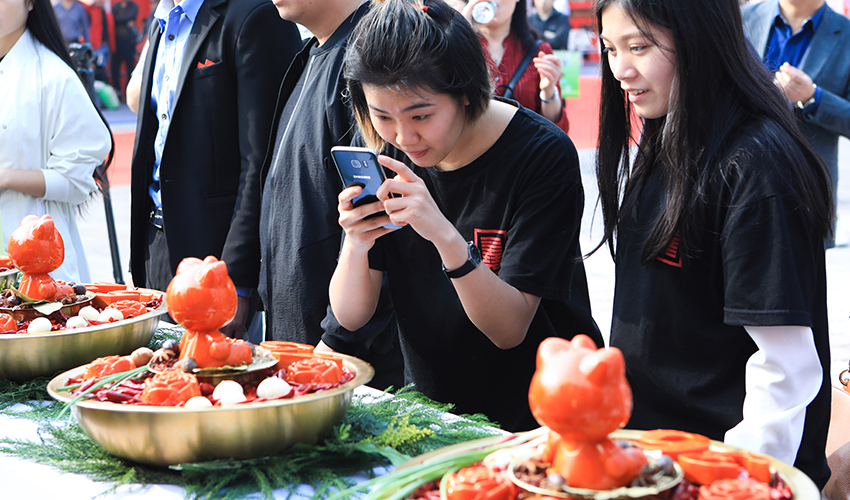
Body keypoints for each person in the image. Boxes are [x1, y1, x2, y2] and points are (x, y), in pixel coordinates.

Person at [594, 0, 833, 488]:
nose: (621, 68)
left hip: (722, 470)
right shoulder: (667, 132)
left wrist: (733, 483)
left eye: (639, 46)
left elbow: (784, 369)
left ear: (699, 38)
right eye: (610, 48)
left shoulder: (755, 163)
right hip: (655, 458)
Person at [330, 0, 600, 431]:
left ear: (468, 94)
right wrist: (357, 242)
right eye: (382, 116)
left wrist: (444, 235)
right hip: (432, 413)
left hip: (542, 416)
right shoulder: (389, 155)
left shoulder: (543, 155)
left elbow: (509, 329)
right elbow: (350, 315)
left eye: (421, 115)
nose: (404, 136)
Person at [224, 0, 404, 388]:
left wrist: (335, 339)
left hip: (347, 363)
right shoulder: (314, 53)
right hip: (304, 341)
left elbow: (382, 222)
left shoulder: (371, 56)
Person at [127, 0, 301, 333]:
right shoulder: (163, 19)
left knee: (217, 380)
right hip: (155, 245)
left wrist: (235, 279)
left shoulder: (254, 15)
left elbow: (260, 162)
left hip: (215, 257)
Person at [0, 0, 114, 284]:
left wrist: (3, 178)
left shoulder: (54, 78)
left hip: (39, 264)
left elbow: (77, 181)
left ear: (30, 3)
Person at [742, 0, 850, 248]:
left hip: (806, 194)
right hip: (736, 182)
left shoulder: (845, 34)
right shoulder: (740, 20)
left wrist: (813, 97)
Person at [454, 0, 568, 131]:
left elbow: (556, 130)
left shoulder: (539, 51)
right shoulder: (457, 47)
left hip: (523, 149)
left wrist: (548, 92)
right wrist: (460, 31)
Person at [110, 0, 139, 96]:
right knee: (114, 68)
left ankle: (129, 92)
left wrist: (119, 20)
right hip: (116, 42)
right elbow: (114, 18)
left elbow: (128, 17)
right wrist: (124, 21)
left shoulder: (133, 6)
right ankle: (117, 91)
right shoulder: (116, 6)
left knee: (130, 67)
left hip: (129, 42)